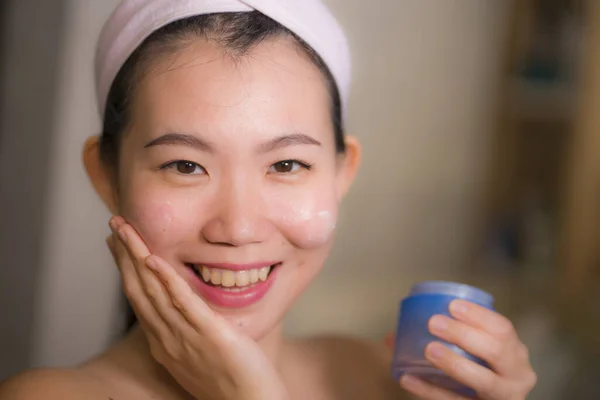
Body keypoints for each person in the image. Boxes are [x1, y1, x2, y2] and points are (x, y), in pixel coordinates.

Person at [0, 1, 537, 399]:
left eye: (286, 165)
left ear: (340, 173)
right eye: (185, 165)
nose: (237, 227)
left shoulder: (381, 379)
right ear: (106, 176)